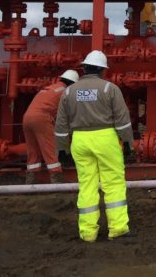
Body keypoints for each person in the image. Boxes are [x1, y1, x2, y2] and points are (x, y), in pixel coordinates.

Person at [55, 50, 135, 242]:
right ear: (102, 70)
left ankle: (88, 232)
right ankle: (117, 228)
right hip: (105, 138)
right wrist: (128, 144)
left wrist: (62, 149)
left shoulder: (69, 91)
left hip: (80, 141)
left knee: (87, 185)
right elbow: (123, 121)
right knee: (113, 183)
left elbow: (61, 125)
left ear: (84, 68)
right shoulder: (110, 88)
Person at [23, 69, 79, 185]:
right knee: (51, 147)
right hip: (42, 118)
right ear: (72, 83)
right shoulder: (65, 91)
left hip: (27, 118)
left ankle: (30, 180)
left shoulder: (50, 88)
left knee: (33, 149)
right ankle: (56, 178)